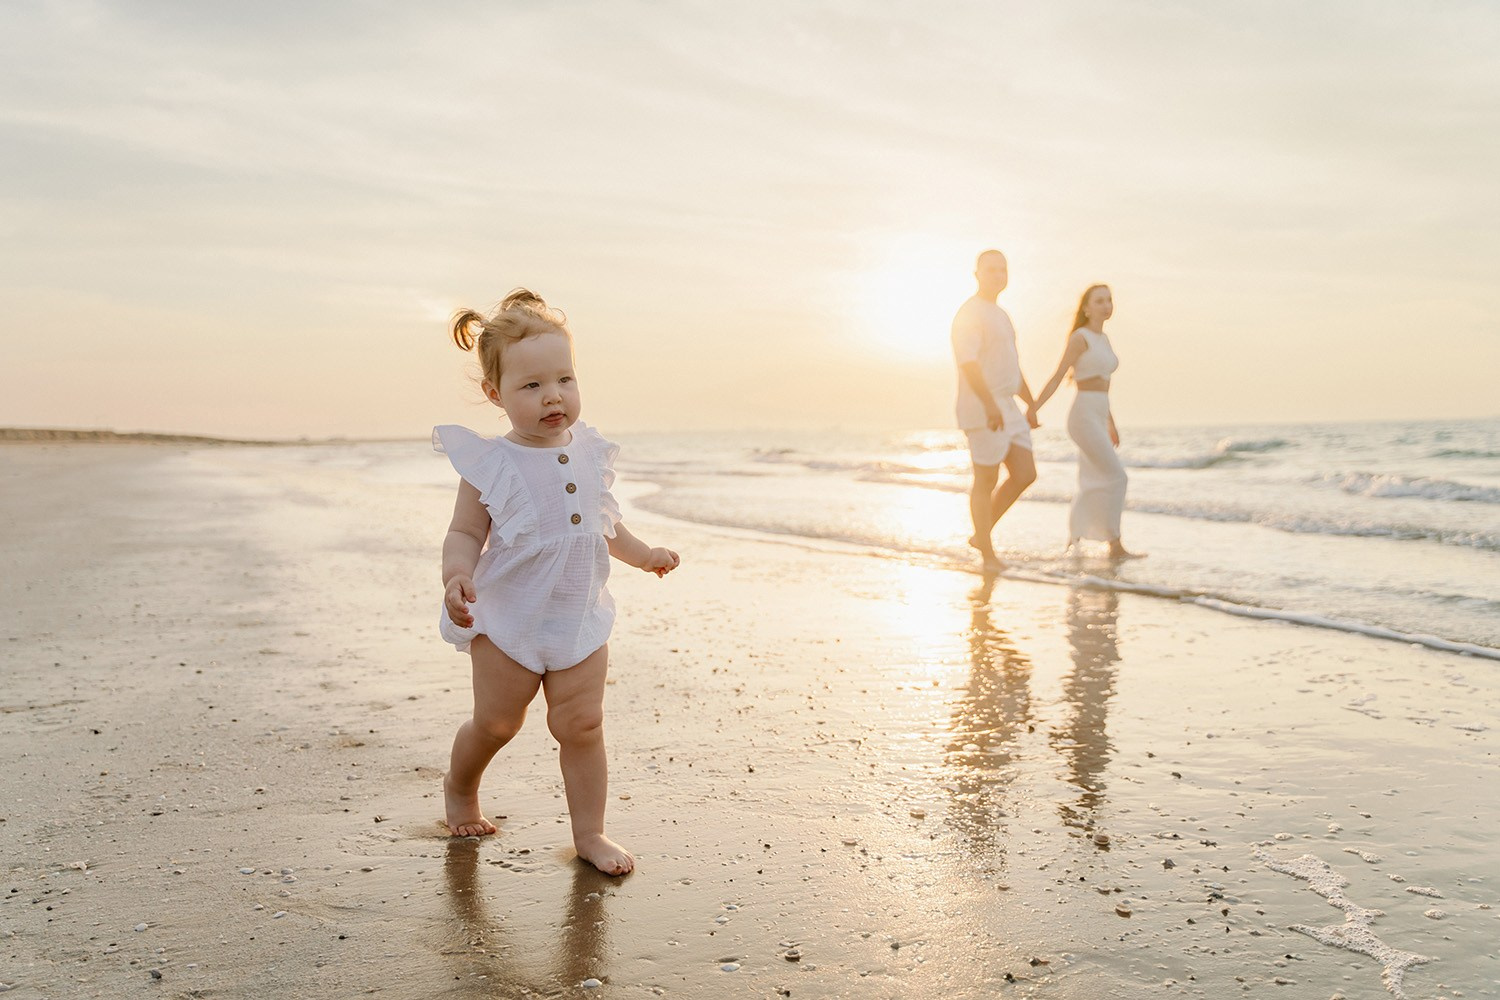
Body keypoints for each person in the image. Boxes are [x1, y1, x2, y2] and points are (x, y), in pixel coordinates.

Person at [434, 288, 680, 876]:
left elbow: (604, 525)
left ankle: (589, 834)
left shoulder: (589, 452)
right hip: (510, 618)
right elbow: (465, 532)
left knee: (582, 724)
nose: (554, 397)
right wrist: (457, 574)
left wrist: (644, 555)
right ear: (496, 394)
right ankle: (461, 788)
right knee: (497, 722)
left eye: (564, 380)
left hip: (577, 617)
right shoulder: (493, 462)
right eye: (531, 386)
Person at [1028, 284, 1139, 558]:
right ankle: (1114, 544)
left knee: (1092, 478)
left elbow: (1105, 385)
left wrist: (1111, 423)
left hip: (1100, 414)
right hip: (1083, 415)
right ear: (1086, 307)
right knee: (1117, 477)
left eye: (1109, 300)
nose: (1106, 305)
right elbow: (1057, 376)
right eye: (1099, 301)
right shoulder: (1081, 338)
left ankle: (1076, 537)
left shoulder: (1105, 339)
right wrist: (1033, 409)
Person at [951, 249, 1039, 573]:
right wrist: (989, 404)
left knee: (1025, 473)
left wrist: (1030, 403)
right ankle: (987, 556)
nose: (998, 275)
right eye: (991, 270)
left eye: (1003, 270)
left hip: (1008, 405)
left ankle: (980, 535)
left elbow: (1013, 367)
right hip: (981, 405)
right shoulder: (969, 313)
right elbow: (968, 363)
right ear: (977, 274)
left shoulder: (1002, 314)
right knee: (985, 479)